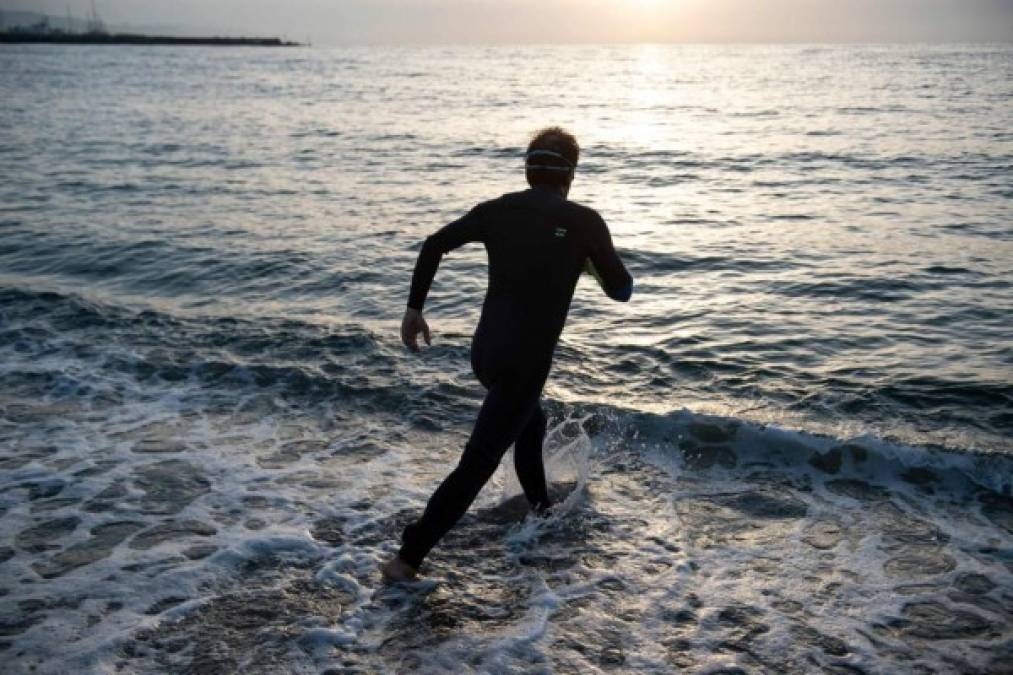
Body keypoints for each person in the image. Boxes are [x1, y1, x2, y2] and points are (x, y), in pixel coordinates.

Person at [381, 127, 633, 582]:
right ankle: (408, 558)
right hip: (524, 364)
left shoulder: (496, 210)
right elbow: (622, 290)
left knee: (529, 421)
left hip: (486, 356)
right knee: (477, 464)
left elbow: (434, 243)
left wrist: (414, 309)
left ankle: (539, 512)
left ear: (527, 168)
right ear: (570, 173)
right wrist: (589, 262)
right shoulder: (584, 221)